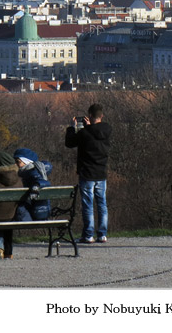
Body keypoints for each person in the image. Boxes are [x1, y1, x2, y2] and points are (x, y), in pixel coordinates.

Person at [65, 103, 112, 244]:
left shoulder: (84, 133)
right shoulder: (107, 130)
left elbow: (70, 143)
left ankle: (88, 235)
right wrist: (89, 127)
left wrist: (72, 127)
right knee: (102, 204)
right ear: (102, 116)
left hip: (87, 173)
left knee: (88, 205)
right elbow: (95, 133)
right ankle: (102, 234)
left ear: (90, 116)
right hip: (101, 173)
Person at [13, 148, 53, 222]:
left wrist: (36, 186)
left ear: (26, 162)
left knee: (20, 208)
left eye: (18, 162)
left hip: (36, 210)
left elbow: (42, 181)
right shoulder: (28, 172)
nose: (15, 164)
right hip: (40, 210)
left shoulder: (32, 172)